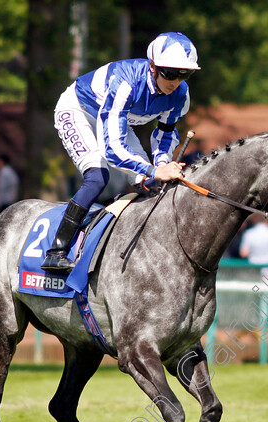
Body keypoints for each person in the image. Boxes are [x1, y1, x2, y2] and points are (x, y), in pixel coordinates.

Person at [40, 31, 199, 272]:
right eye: (170, 73)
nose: (175, 81)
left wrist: (163, 164)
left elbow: (165, 135)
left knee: (151, 185)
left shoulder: (180, 95)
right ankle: (56, 251)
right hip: (79, 111)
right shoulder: (126, 82)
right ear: (153, 67)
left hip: (116, 121)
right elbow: (112, 149)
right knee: (97, 177)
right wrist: (154, 169)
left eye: (184, 74)